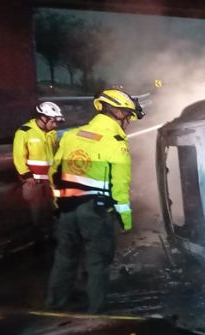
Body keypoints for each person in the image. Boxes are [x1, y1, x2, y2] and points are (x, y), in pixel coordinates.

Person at [45, 89, 143, 313]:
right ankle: (95, 315)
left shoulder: (71, 136)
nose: (128, 121)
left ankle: (52, 308)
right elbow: (119, 186)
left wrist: (59, 203)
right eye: (127, 115)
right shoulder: (115, 141)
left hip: (67, 210)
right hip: (96, 213)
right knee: (97, 263)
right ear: (116, 111)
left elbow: (54, 173)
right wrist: (126, 220)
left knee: (65, 259)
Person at [13, 101, 64, 239]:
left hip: (50, 179)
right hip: (33, 180)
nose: (55, 125)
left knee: (53, 207)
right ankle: (37, 237)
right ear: (43, 118)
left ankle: (53, 234)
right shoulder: (25, 132)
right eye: (53, 121)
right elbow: (18, 156)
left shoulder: (51, 133)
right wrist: (26, 175)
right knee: (35, 209)